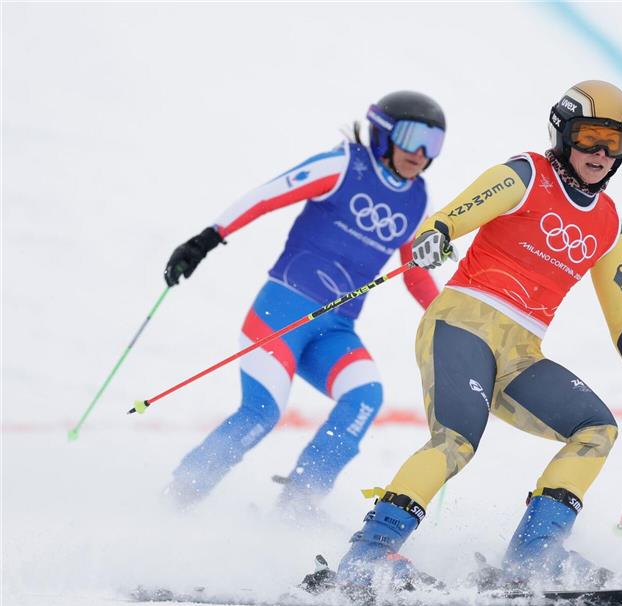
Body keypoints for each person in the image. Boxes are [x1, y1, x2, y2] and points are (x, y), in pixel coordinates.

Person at [332, 80, 622, 595]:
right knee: (457, 441)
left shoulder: (608, 224)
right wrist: (437, 235)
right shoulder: (525, 175)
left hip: (520, 354)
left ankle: (533, 556)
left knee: (596, 429)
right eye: (588, 137)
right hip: (462, 324)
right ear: (562, 135)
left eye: (615, 142)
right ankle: (368, 554)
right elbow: (454, 214)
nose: (601, 154)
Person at [162, 91, 445, 520]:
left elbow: (415, 270)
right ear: (384, 133)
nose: (421, 153)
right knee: (262, 412)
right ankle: (177, 498)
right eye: (412, 136)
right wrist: (207, 239)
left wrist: (449, 317)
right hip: (282, 312)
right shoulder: (345, 165)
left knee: (364, 396)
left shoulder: (417, 199)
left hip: (335, 329)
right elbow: (266, 196)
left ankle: (299, 502)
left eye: (435, 143)